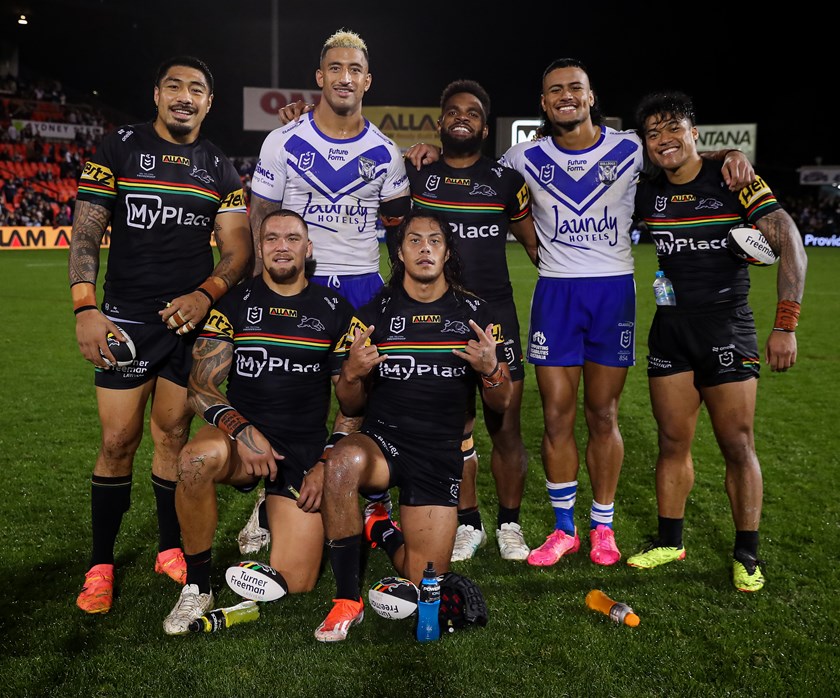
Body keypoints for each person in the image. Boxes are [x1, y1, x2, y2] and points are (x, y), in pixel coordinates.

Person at [406, 57, 755, 568]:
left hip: (613, 293)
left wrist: (729, 154)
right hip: (556, 294)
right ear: (543, 104)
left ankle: (603, 527)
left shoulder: (631, 148)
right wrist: (433, 151)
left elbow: (682, 154)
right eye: (554, 91)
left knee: (604, 414)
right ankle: (564, 528)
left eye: (575, 88)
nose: (565, 96)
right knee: (555, 416)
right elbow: (471, 165)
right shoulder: (523, 157)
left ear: (592, 97)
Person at [69, 55, 253, 614]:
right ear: (157, 94)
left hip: (187, 326)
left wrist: (206, 295)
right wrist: (85, 307)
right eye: (174, 85)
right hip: (124, 322)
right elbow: (85, 233)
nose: (184, 96)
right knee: (118, 442)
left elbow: (238, 251)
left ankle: (168, 547)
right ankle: (100, 563)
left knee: (171, 437)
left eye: (196, 88)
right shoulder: (116, 147)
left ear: (208, 102)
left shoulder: (219, 168)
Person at [626, 91, 807, 592]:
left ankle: (746, 554)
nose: (664, 140)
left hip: (727, 327)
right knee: (671, 441)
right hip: (670, 330)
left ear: (694, 133)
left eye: (674, 129)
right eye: (653, 133)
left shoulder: (735, 181)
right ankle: (670, 539)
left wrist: (785, 324)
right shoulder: (647, 191)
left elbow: (788, 240)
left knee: (737, 444)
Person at [239, 28, 411, 554]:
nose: (344, 77)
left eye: (354, 69)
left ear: (367, 80)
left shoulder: (386, 153)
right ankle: (266, 503)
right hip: (296, 283)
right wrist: (258, 289)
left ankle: (367, 503)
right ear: (320, 77)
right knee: (288, 395)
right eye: (335, 68)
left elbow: (398, 231)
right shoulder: (283, 140)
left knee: (362, 396)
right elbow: (260, 218)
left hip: (360, 283)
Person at [313, 210, 512, 642]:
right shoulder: (372, 314)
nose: (425, 249)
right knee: (343, 462)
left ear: (447, 252)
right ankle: (347, 601)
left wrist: (491, 367)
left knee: (426, 579)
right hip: (384, 442)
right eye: (415, 241)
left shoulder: (476, 314)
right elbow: (350, 403)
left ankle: (379, 527)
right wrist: (351, 372)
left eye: (435, 241)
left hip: (440, 453)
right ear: (400, 253)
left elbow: (502, 400)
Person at [162, 210, 354, 634]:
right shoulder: (234, 303)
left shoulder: (335, 310)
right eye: (271, 239)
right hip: (238, 440)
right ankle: (197, 585)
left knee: (296, 583)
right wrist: (244, 432)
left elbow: (353, 404)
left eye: (291, 238)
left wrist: (325, 462)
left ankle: (267, 510)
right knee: (194, 460)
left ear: (308, 247)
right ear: (260, 248)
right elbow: (200, 386)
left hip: (301, 451)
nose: (281, 246)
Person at [406, 79, 538, 562]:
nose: (463, 117)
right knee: (454, 427)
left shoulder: (507, 181)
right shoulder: (414, 175)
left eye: (474, 112)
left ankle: (509, 525)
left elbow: (534, 246)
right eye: (454, 111)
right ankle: (469, 523)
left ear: (485, 126)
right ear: (440, 123)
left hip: (495, 317)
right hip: (435, 318)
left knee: (505, 425)